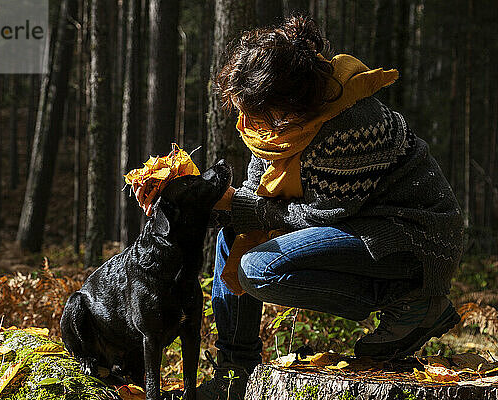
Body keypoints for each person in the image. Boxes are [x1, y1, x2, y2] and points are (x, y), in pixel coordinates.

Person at [134, 13, 464, 400]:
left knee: (258, 269)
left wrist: (234, 204)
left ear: (286, 102)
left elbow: (322, 214)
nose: (247, 122)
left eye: (256, 112)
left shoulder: (351, 122)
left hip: (410, 238)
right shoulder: (279, 127)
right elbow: (258, 201)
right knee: (235, 238)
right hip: (359, 226)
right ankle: (235, 369)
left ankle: (412, 301)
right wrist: (181, 200)